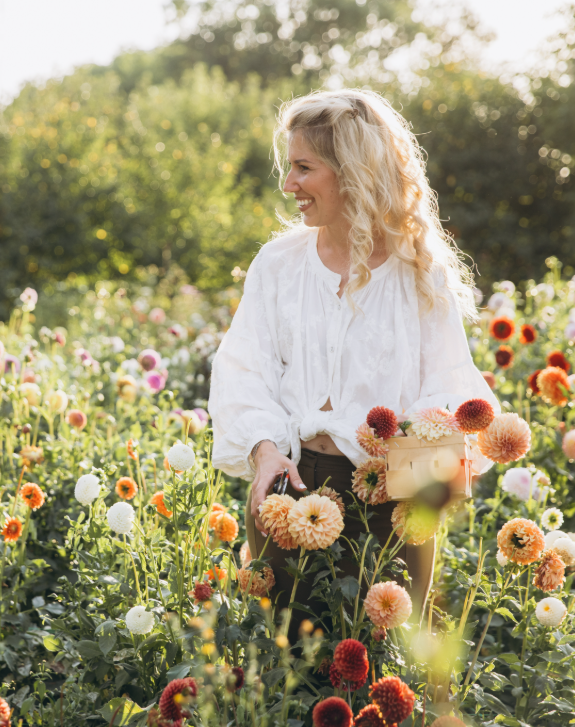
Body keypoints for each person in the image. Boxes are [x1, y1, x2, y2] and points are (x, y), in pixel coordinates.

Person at [208, 89, 499, 638]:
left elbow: (446, 392)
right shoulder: (278, 264)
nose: (288, 184)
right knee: (284, 668)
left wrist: (407, 482)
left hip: (384, 500)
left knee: (378, 671)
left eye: (303, 168)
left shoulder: (418, 273)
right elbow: (243, 367)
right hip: (287, 486)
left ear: (353, 173)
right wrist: (264, 449)